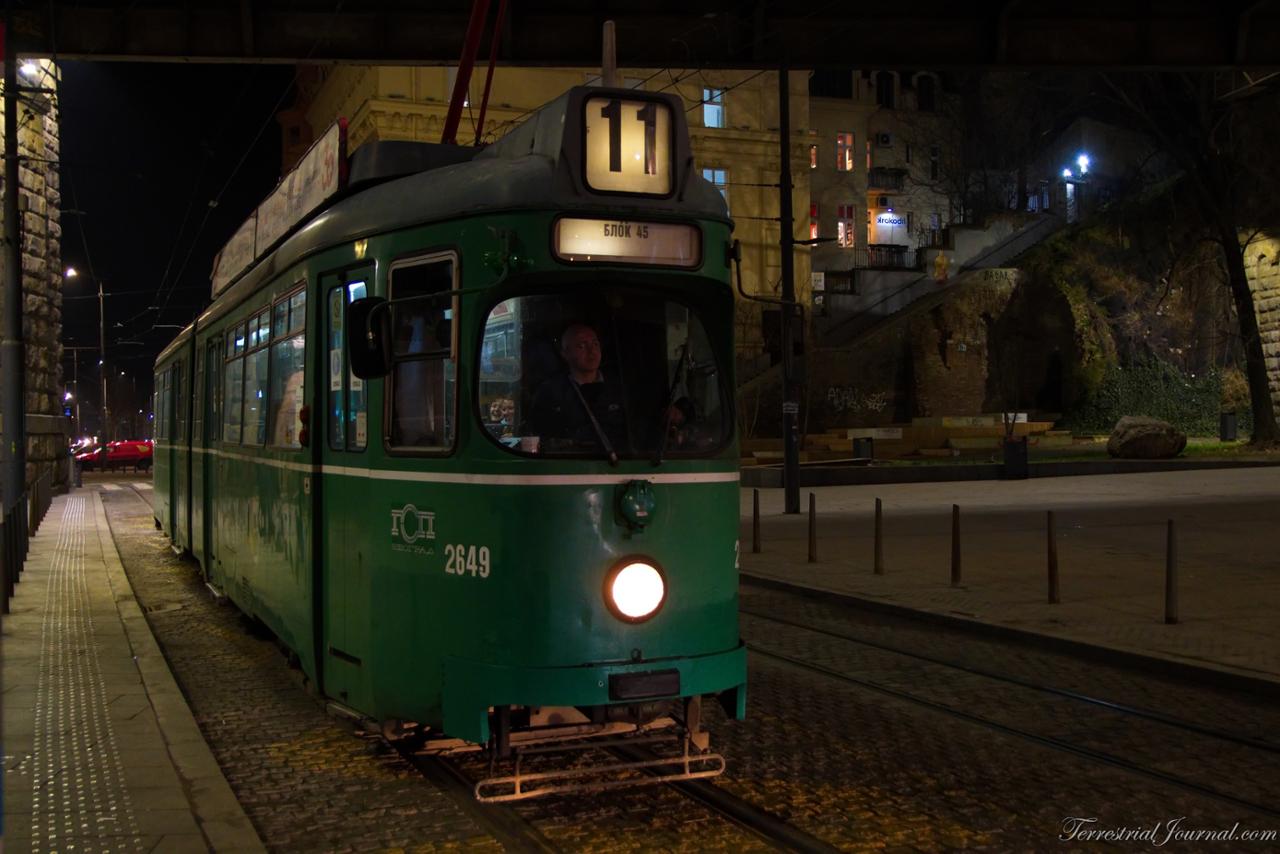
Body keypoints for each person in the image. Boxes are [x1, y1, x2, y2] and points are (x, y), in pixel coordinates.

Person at [526, 322, 628, 452]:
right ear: (565, 354)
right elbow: (538, 440)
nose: (592, 351)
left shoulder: (620, 390)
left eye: (595, 344)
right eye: (581, 345)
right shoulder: (548, 393)